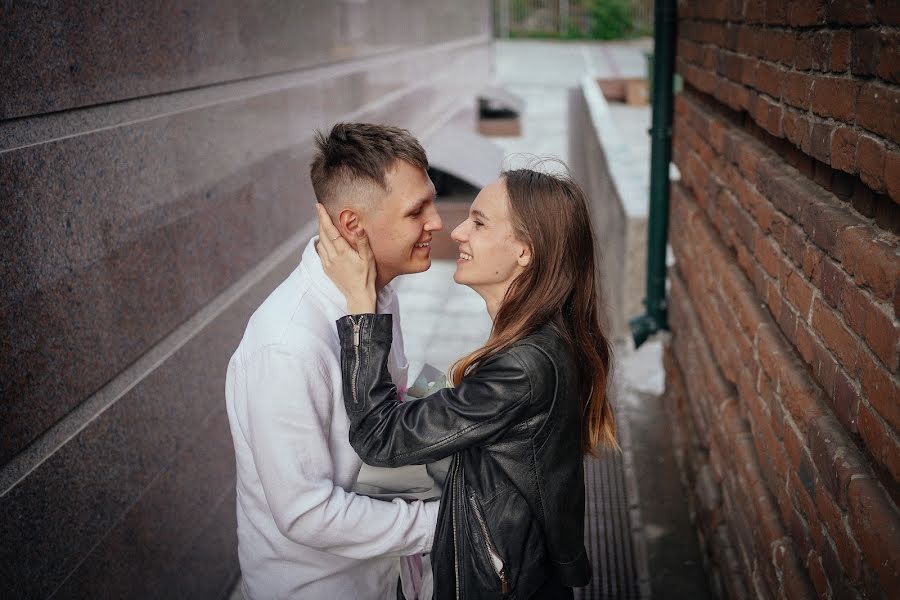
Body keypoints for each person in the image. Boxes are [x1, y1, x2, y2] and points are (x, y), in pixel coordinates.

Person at [316, 167, 618, 599]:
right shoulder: (542, 340)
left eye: (479, 223)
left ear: (525, 253)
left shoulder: (524, 366)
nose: (456, 232)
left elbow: (379, 437)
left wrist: (363, 311)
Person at [225, 123, 444, 599]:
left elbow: (385, 420)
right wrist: (441, 522)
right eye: (416, 211)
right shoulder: (286, 345)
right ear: (352, 225)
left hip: (385, 576)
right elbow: (305, 511)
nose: (437, 222)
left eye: (432, 200)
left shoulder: (376, 297)